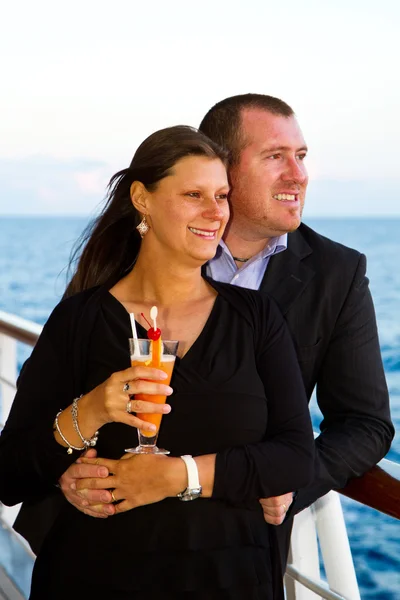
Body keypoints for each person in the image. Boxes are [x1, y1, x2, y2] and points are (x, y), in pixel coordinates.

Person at [53, 94, 394, 570]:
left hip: (236, 551)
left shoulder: (337, 273)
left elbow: (366, 422)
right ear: (220, 166)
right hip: (108, 540)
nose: (298, 175)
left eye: (301, 157)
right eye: (275, 157)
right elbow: (55, 397)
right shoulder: (133, 258)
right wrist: (65, 471)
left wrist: (289, 480)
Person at [0, 125, 315, 599]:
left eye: (222, 195)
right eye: (194, 194)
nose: (215, 213)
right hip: (95, 578)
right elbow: (10, 471)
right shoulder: (80, 320)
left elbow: (296, 456)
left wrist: (178, 477)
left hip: (230, 580)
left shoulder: (256, 317)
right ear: (142, 200)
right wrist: (88, 413)